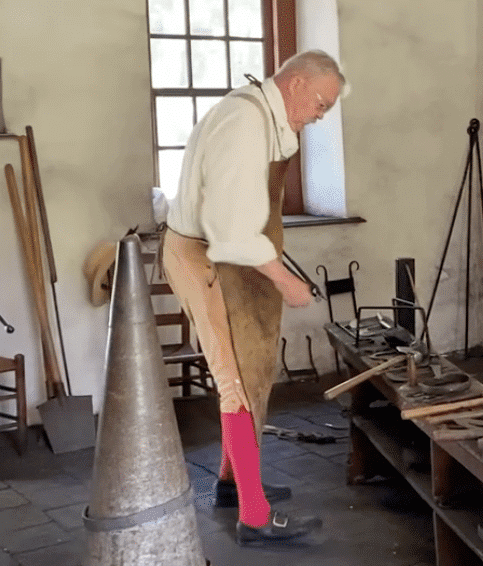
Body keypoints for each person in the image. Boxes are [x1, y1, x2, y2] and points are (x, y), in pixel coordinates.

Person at [162, 50, 345, 544]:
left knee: (252, 369)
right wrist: (285, 280)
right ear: (297, 83)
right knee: (233, 378)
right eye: (321, 102)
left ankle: (230, 482)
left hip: (226, 255)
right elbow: (230, 228)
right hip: (201, 255)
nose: (322, 114)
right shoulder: (243, 120)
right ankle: (254, 514)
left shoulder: (264, 116)